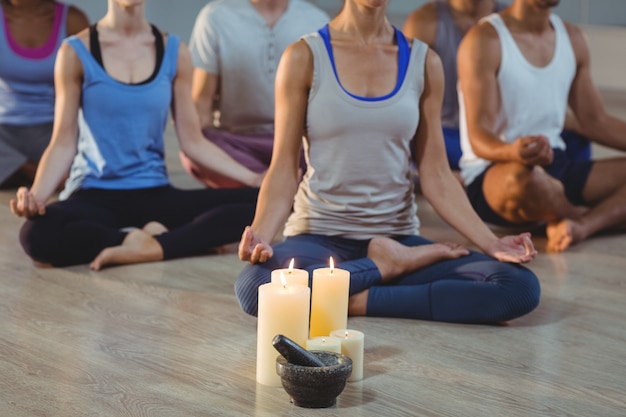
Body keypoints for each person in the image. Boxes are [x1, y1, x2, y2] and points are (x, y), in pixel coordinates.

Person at [234, 0, 541, 324]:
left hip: (399, 238)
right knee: (255, 288)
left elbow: (436, 172)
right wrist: (263, 236)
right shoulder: (303, 57)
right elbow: (283, 167)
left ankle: (349, 296)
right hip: (319, 235)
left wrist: (491, 243)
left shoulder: (424, 61)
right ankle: (385, 268)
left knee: (517, 287)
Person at [10, 0, 262, 270]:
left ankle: (152, 246)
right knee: (37, 235)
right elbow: (62, 142)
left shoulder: (174, 51)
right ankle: (142, 239)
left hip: (155, 194)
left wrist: (256, 179)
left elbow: (193, 142)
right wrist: (36, 195)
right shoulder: (75, 51)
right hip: (95, 194)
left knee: (260, 204)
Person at [457, 0, 626, 252]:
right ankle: (587, 214)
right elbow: (479, 135)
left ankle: (582, 226)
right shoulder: (485, 39)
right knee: (524, 179)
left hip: (557, 164)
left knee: (542, 177)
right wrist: (514, 152)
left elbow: (596, 121)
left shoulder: (573, 38)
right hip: (498, 171)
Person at [402, 0, 590, 172]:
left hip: (502, 131)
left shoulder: (514, 19)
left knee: (576, 140)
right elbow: (405, 97)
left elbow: (532, 100)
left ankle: (568, 188)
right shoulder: (425, 23)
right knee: (418, 138)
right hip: (449, 134)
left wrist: (578, 123)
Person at [180, 0, 328, 188]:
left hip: (297, 144)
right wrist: (197, 145)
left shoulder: (316, 20)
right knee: (193, 152)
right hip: (239, 144)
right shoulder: (215, 17)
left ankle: (260, 190)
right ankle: (271, 186)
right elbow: (201, 107)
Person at [0, 0, 88, 187]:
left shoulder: (73, 20)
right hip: (3, 133)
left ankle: (18, 173)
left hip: (55, 130)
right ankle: (34, 172)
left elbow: (92, 87)